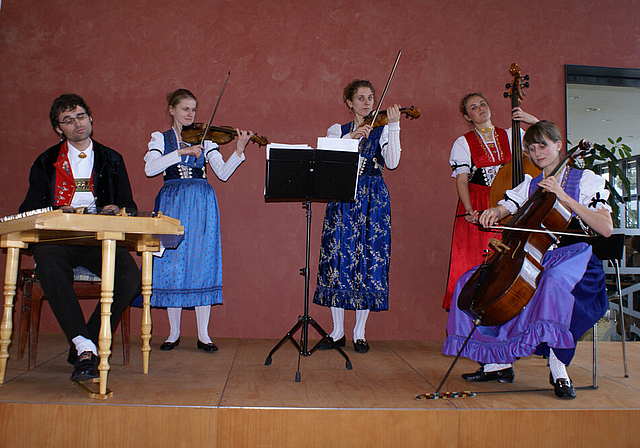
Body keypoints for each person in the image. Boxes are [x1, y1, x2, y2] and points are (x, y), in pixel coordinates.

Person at [442, 120, 613, 399]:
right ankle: (498, 362)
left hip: (575, 260)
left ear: (559, 146)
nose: (537, 153)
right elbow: (508, 205)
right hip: (535, 257)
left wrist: (564, 198)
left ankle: (558, 366)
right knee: (471, 281)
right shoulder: (531, 184)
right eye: (532, 148)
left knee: (550, 281)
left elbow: (605, 228)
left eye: (543, 146)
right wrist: (494, 213)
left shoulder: (586, 180)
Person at [19, 93, 141, 382]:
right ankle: (86, 346)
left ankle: (83, 341)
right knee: (47, 264)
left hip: (99, 240)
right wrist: (54, 210)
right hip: (58, 240)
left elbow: (130, 206)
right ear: (58, 129)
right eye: (68, 120)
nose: (77, 124)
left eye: (81, 116)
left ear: (91, 118)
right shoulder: (46, 161)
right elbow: (27, 209)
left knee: (131, 278)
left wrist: (118, 209)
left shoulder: (112, 159)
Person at [144, 88, 252, 352]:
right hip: (173, 202)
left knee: (202, 263)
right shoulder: (161, 138)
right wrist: (181, 153)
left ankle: (204, 334)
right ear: (172, 110)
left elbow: (223, 174)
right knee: (172, 264)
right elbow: (150, 168)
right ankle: (173, 333)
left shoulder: (208, 139)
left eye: (193, 109)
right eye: (185, 108)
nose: (190, 114)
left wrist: (238, 149)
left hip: (203, 204)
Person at [313, 79, 402, 353]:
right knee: (339, 258)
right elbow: (327, 153)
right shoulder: (336, 130)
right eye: (361, 98)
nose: (367, 102)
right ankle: (337, 331)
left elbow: (394, 161)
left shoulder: (384, 128)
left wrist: (395, 126)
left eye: (371, 97)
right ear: (349, 102)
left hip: (374, 197)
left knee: (369, 259)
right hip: (344, 195)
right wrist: (351, 138)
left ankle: (359, 332)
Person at [443, 93, 538, 310]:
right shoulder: (463, 143)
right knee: (476, 260)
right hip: (479, 202)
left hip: (509, 205)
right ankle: (470, 313)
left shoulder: (511, 134)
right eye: (474, 107)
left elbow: (542, 142)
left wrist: (530, 120)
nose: (481, 109)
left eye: (483, 103)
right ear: (467, 116)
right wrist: (469, 209)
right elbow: (462, 180)